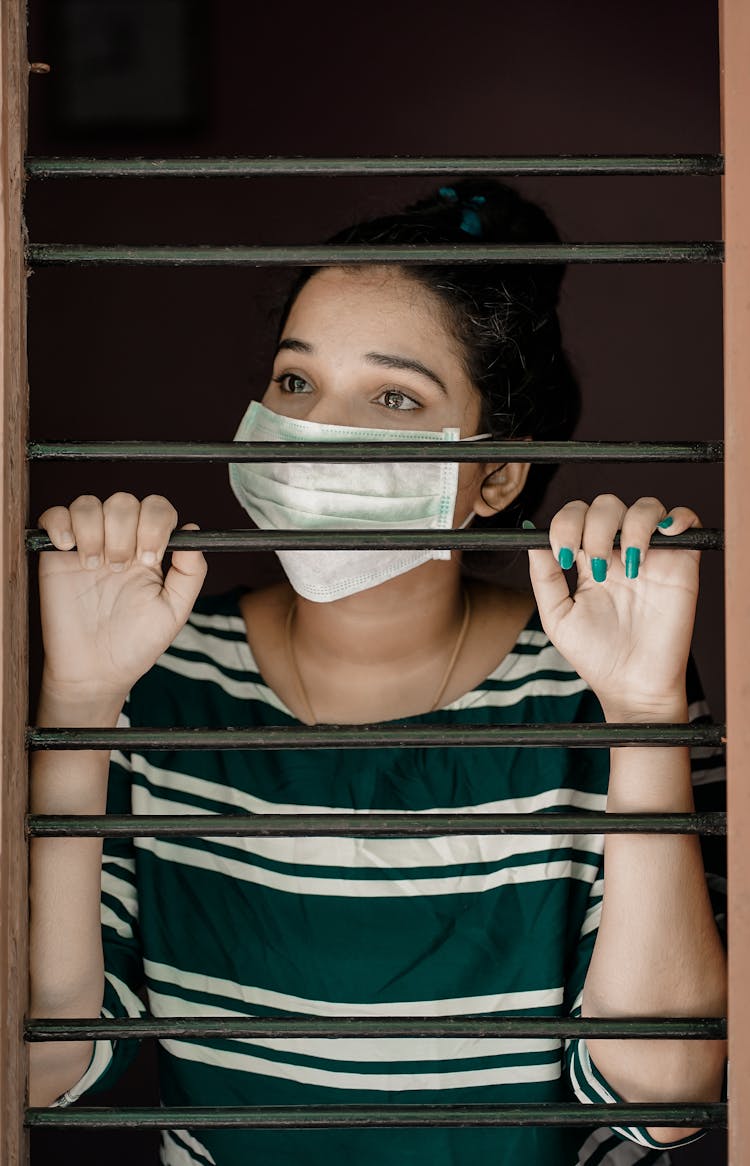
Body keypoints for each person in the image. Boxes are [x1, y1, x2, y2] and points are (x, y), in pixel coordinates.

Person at [29, 181, 727, 1166]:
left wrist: (645, 710)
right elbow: (39, 1069)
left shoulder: (596, 684)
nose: (317, 429)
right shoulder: (157, 673)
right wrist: (79, 702)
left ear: (495, 474)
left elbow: (664, 1095)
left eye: (394, 396)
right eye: (294, 382)